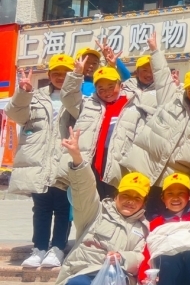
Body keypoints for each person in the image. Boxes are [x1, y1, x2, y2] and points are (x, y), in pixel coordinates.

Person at [41, 129, 150, 285]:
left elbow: (142, 257)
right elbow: (85, 192)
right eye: (125, 196)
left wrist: (122, 257)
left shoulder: (143, 228)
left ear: (143, 203)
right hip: (84, 270)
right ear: (117, 196)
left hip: (116, 281)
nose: (130, 202)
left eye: (136, 198)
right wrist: (78, 159)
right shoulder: (95, 213)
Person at [122, 33, 190, 217]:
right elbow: (162, 75)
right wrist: (155, 50)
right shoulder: (172, 97)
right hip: (144, 168)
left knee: (162, 220)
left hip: (173, 178)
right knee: (133, 214)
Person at [8, 56, 75, 268]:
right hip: (39, 162)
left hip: (63, 159)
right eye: (56, 73)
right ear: (49, 75)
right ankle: (39, 248)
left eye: (65, 74)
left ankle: (57, 248)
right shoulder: (35, 96)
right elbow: (16, 115)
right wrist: (23, 92)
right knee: (41, 207)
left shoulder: (76, 97)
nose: (60, 77)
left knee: (63, 207)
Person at [60, 62, 146, 199]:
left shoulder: (134, 103)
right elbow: (68, 98)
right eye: (101, 88)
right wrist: (76, 74)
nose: (107, 92)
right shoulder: (88, 104)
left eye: (111, 87)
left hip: (120, 165)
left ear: (121, 85)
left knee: (117, 202)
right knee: (91, 204)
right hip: (92, 163)